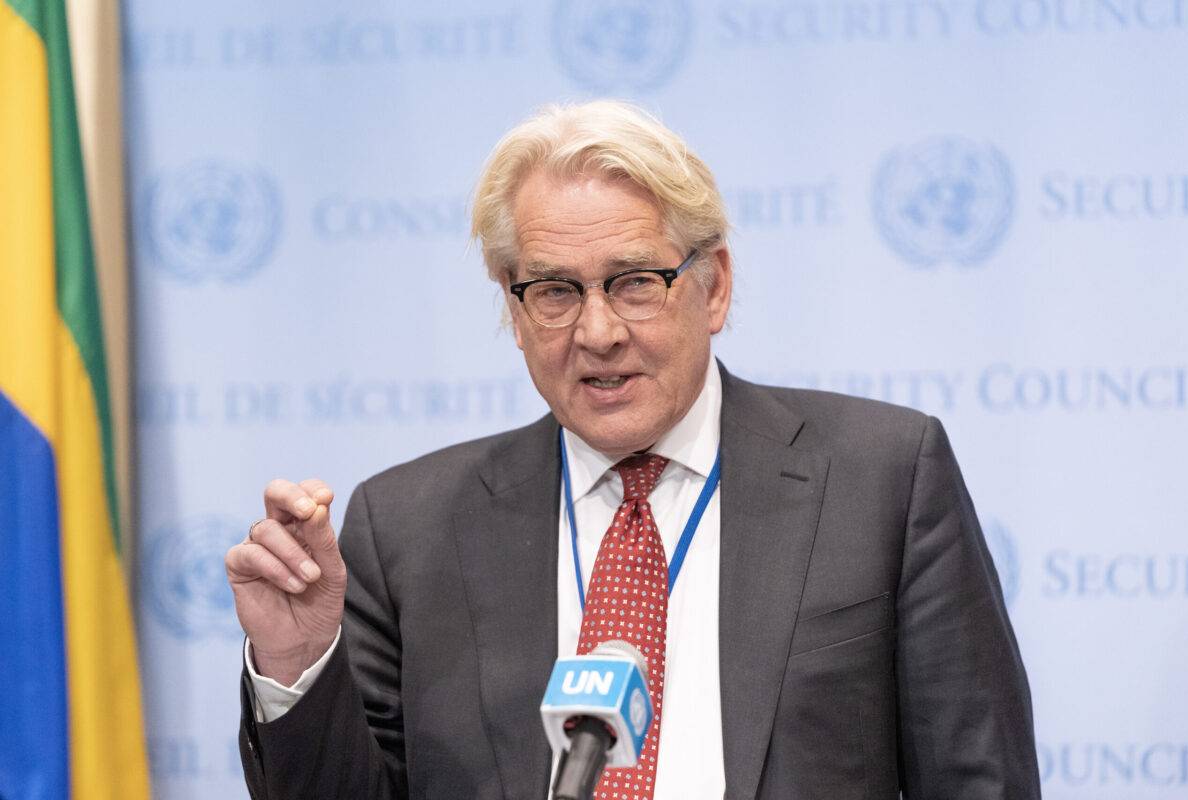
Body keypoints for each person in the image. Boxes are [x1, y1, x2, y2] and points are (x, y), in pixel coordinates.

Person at [226, 100, 1040, 800]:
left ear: (714, 286)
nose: (599, 332)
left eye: (635, 281)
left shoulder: (882, 479)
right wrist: (299, 663)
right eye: (553, 291)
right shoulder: (408, 527)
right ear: (513, 314)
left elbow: (979, 779)